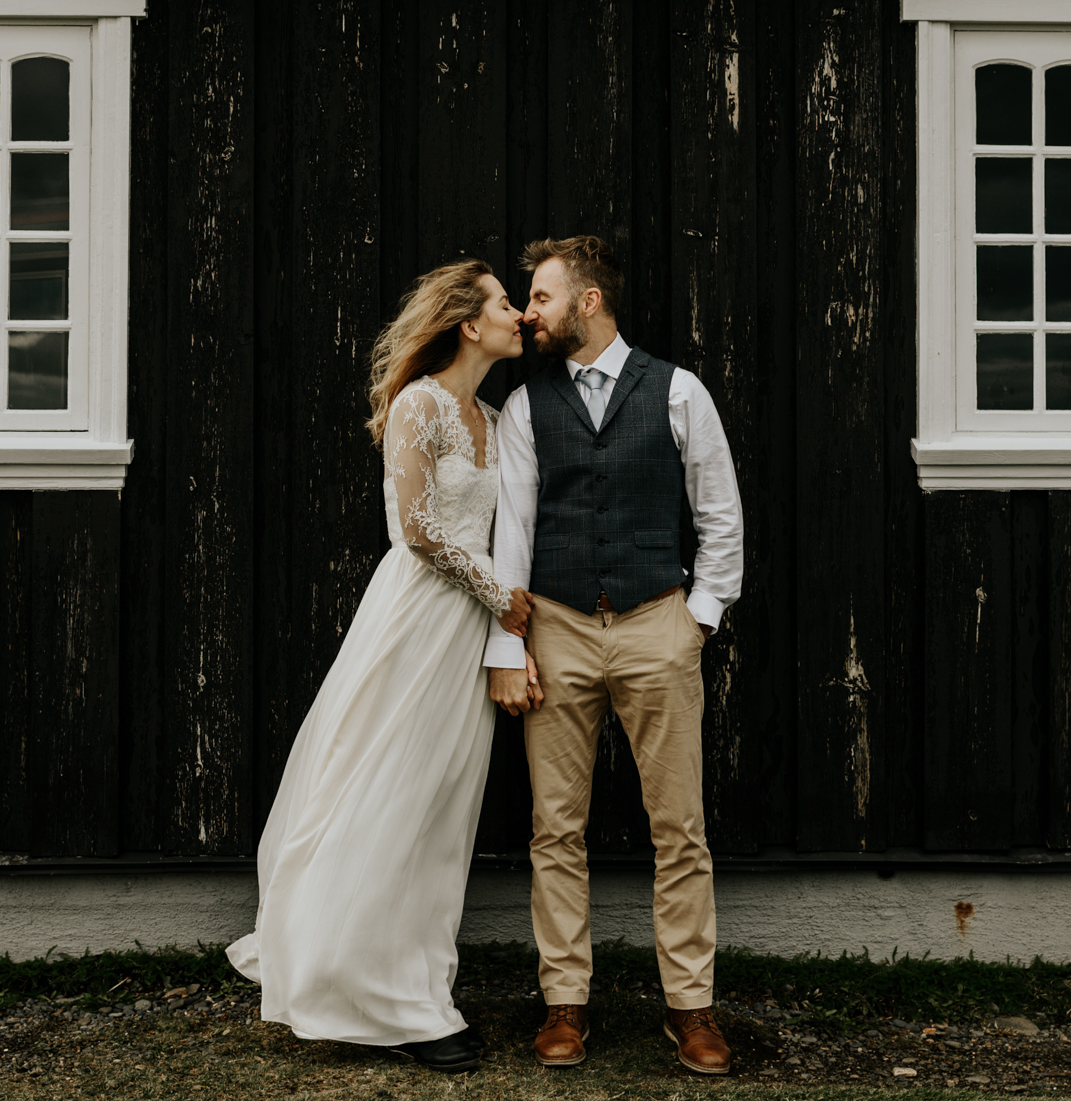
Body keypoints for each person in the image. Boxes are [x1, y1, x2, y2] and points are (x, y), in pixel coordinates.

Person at [227, 259, 541, 1074]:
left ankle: (419, 992)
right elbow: (418, 529)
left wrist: (502, 611)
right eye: (508, 304)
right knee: (387, 792)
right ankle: (361, 988)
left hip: (470, 631)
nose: (520, 316)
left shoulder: (498, 415)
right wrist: (498, 594)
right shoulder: (421, 403)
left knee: (441, 812)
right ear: (469, 324)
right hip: (419, 618)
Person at [484, 235, 744, 1076]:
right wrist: (509, 642)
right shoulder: (526, 405)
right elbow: (513, 535)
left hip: (655, 624)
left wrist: (696, 618)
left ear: (588, 302)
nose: (530, 311)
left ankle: (690, 1010)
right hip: (555, 625)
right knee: (554, 827)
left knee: (680, 829)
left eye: (543, 297)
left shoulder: (677, 391)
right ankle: (564, 1003)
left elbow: (719, 514)